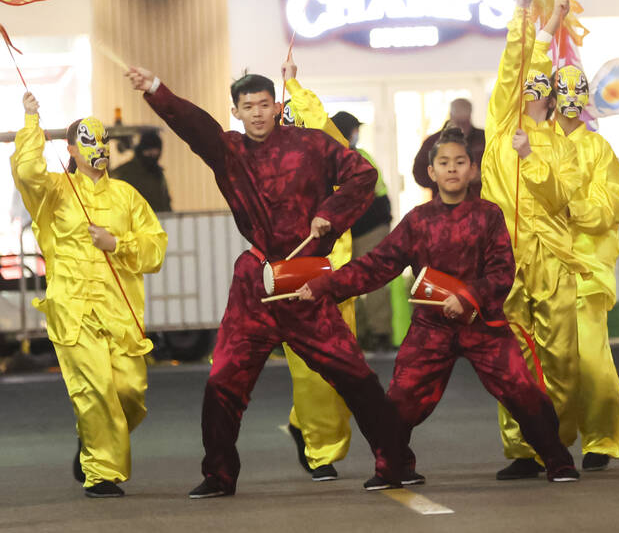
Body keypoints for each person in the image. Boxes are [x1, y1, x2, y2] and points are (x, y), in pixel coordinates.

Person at [126, 66, 408, 497]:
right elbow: (192, 125)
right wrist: (156, 90)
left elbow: (362, 175)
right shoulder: (229, 151)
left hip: (307, 284)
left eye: (264, 105)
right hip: (255, 285)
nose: (256, 114)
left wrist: (330, 214)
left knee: (354, 375)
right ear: (236, 111)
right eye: (247, 107)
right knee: (223, 381)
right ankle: (218, 475)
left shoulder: (313, 144)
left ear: (277, 107)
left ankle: (394, 462)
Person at [295, 127, 579, 484]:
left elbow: (502, 272)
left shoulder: (489, 215)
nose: (452, 169)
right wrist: (324, 286)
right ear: (431, 172)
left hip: (483, 324)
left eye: (460, 162)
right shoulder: (418, 220)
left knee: (523, 392)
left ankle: (557, 460)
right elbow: (376, 266)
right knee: (400, 399)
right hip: (431, 328)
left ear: (472, 169)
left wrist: (468, 298)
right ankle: (394, 467)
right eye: (444, 163)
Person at [11, 93, 167, 497]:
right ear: (71, 149)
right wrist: (32, 121)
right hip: (73, 310)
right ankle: (101, 472)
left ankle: (93, 438)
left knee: (130, 392)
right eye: (88, 141)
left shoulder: (128, 196)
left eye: (102, 141)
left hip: (120, 311)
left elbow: (155, 248)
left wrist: (118, 242)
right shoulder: (54, 191)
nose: (98, 149)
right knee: (95, 389)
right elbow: (27, 171)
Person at [482, 0, 581, 480]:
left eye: (541, 81)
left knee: (561, 355)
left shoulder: (560, 141)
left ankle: (556, 442)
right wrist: (529, 16)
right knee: (511, 357)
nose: (530, 86)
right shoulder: (500, 126)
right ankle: (523, 447)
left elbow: (566, 198)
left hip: (553, 256)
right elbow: (515, 63)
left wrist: (532, 160)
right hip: (503, 260)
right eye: (526, 82)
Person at [276, 63, 362, 482]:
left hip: (338, 278)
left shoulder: (334, 168)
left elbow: (333, 136)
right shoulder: (265, 172)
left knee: (344, 370)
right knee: (309, 369)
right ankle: (318, 451)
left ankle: (304, 426)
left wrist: (294, 83)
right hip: (295, 276)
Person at [551, 63, 619, 472]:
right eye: (562, 89)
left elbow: (617, 204)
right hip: (540, 271)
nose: (570, 97)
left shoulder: (597, 149)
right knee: (541, 365)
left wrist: (575, 209)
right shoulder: (531, 144)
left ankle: (600, 439)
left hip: (585, 269)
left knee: (592, 361)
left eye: (576, 88)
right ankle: (538, 444)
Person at [331, 110, 395, 351]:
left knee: (372, 283)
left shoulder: (360, 156)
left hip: (368, 231)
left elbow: (378, 194)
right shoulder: (335, 159)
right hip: (347, 235)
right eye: (354, 130)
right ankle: (362, 334)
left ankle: (377, 335)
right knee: (348, 286)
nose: (357, 134)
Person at [412, 99, 485, 195]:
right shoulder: (433, 142)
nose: (461, 127)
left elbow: (499, 170)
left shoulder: (484, 139)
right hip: (443, 205)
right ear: (451, 116)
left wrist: (482, 176)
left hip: (478, 201)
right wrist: (443, 179)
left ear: (470, 116)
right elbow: (419, 173)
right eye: (458, 122)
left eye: (464, 122)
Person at [110, 130, 172, 213]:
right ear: (142, 150)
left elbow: (165, 202)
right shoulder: (125, 173)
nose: (153, 154)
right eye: (149, 150)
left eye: (156, 150)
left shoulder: (158, 173)